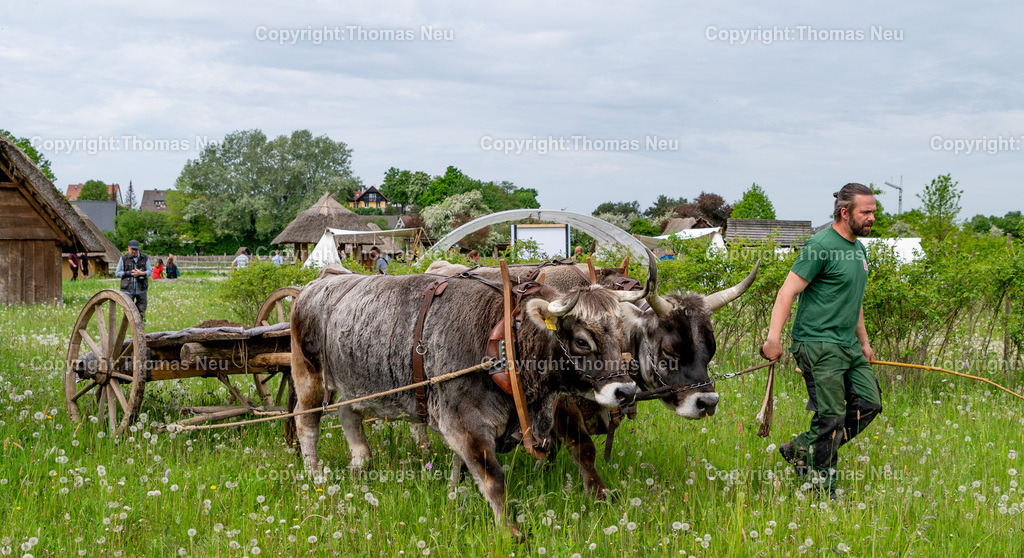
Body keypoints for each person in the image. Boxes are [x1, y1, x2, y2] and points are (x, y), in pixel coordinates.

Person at [761, 183, 881, 498]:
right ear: (845, 212)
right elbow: (787, 292)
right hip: (817, 344)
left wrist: (864, 343)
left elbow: (853, 300)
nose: (871, 218)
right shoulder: (820, 245)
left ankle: (799, 448)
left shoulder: (859, 249)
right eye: (865, 212)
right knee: (832, 419)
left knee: (869, 404)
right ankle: (822, 489)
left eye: (873, 212)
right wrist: (773, 339)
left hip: (848, 346)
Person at [115, 240, 152, 321]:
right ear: (128, 248)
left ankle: (142, 329)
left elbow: (150, 271)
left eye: (136, 250)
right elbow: (117, 273)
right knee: (128, 311)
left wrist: (141, 273)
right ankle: (129, 329)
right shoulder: (123, 258)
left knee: (141, 311)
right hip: (128, 289)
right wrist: (129, 273)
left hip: (142, 289)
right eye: (133, 249)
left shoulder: (145, 257)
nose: (134, 251)